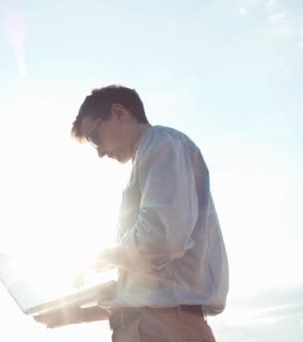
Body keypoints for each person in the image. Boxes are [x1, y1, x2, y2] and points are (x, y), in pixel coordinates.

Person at [35, 85, 229, 341]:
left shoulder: (162, 143)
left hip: (165, 330)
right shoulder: (148, 161)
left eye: (95, 138)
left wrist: (98, 260)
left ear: (119, 113)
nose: (100, 152)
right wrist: (73, 313)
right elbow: (148, 292)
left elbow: (160, 240)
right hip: (152, 327)